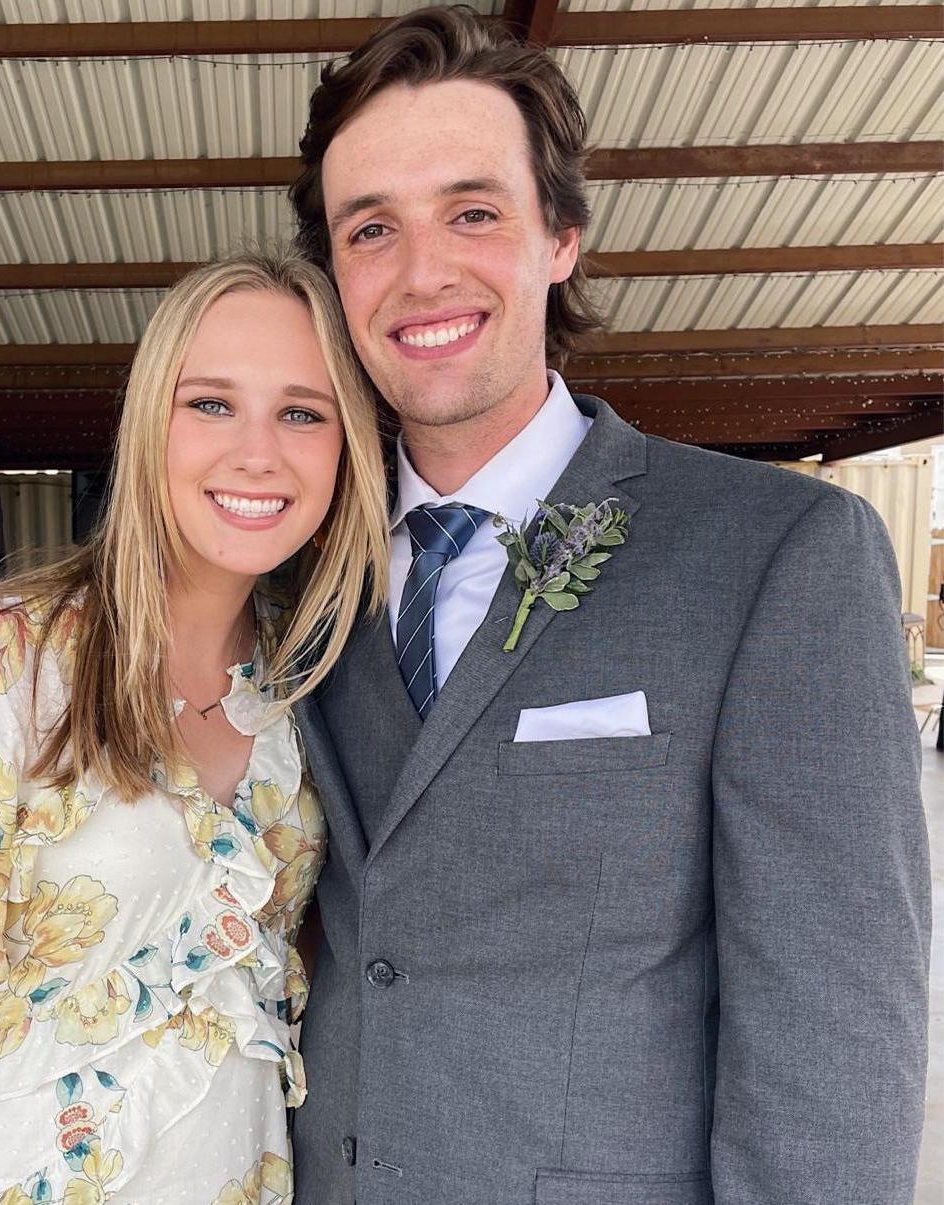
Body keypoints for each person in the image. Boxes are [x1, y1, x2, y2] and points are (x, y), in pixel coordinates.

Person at [286, 8, 931, 1204]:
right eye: (371, 229)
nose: (422, 270)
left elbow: (834, 1025)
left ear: (561, 238)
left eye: (473, 211)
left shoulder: (777, 556)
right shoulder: (295, 570)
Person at [0, 250, 389, 1204]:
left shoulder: (312, 682)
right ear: (147, 423)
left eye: (302, 411)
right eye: (211, 403)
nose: (258, 451)